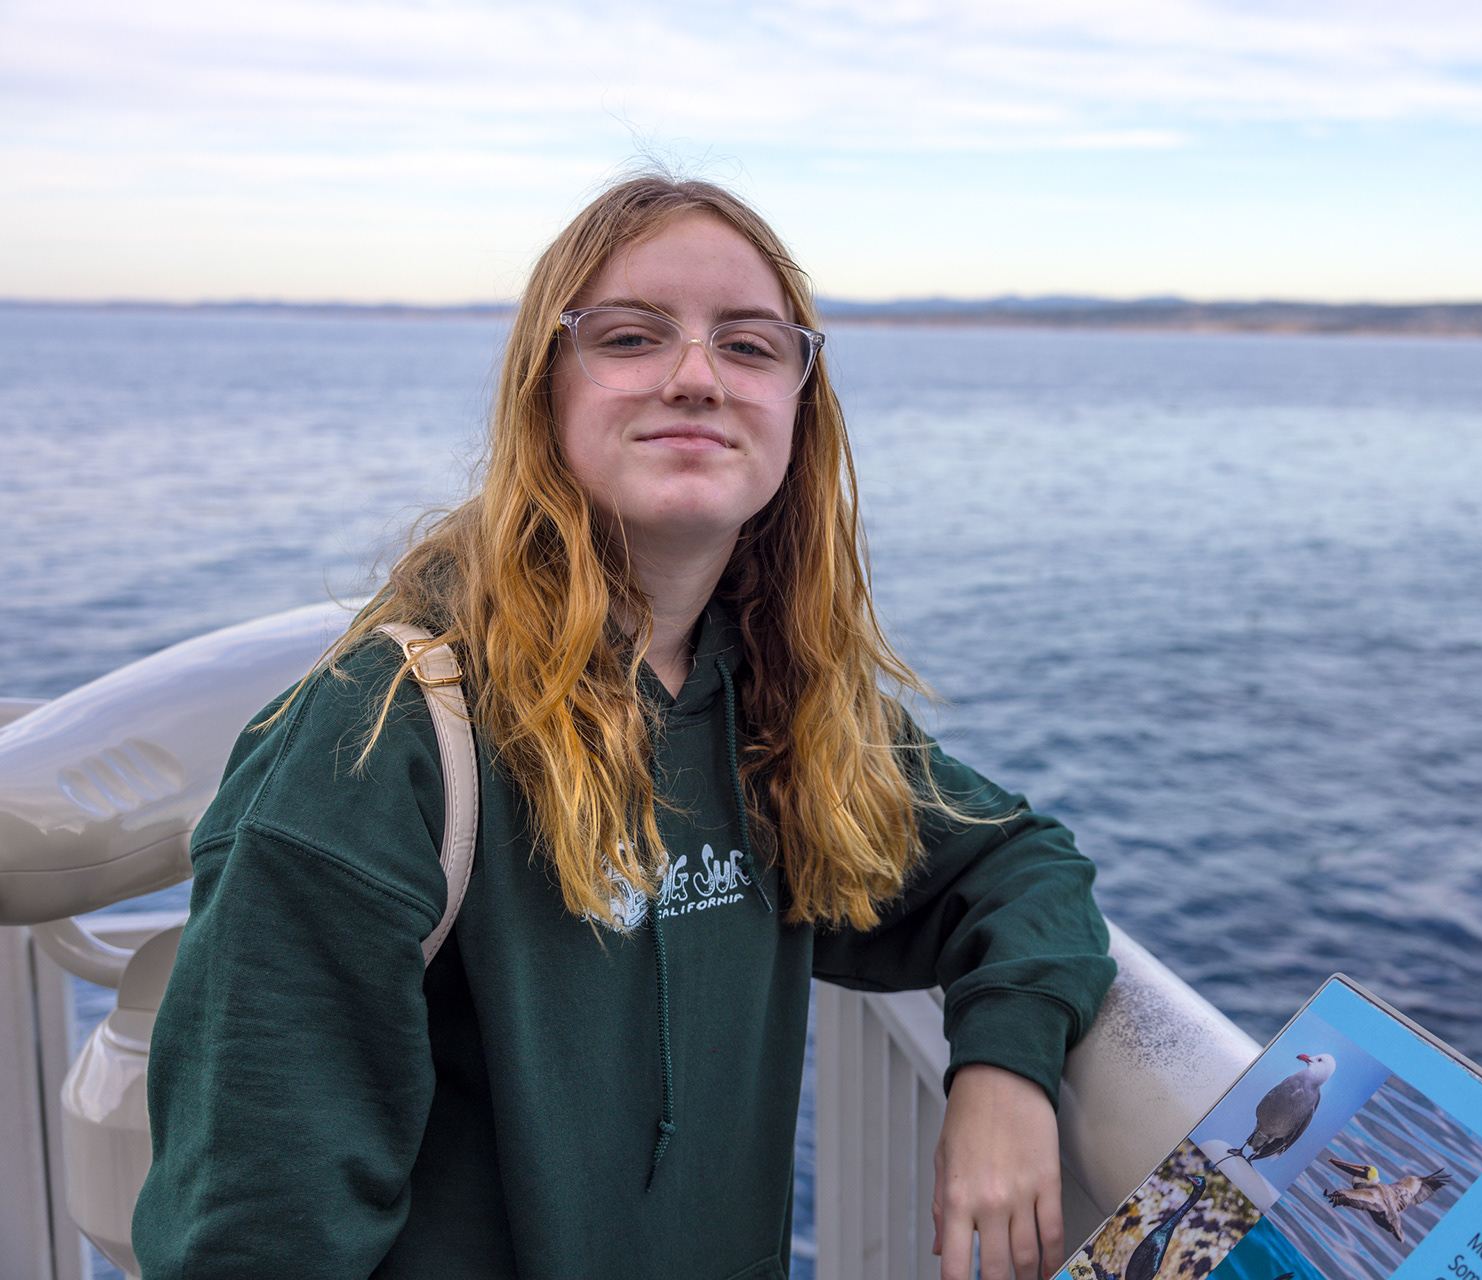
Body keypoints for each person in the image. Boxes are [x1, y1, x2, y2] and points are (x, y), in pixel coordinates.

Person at [132, 175, 1116, 1280]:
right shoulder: (376, 750)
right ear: (544, 391)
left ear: (801, 402)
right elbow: (248, 1241)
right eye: (631, 336)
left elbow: (1021, 862)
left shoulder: (778, 713)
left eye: (749, 346)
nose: (696, 377)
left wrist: (1005, 1070)